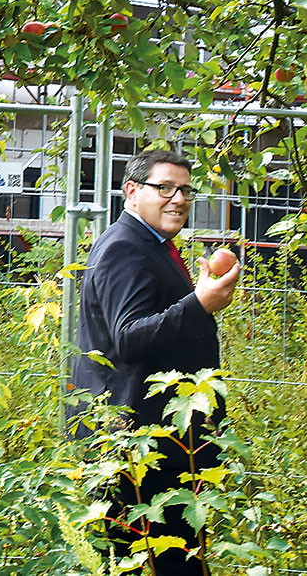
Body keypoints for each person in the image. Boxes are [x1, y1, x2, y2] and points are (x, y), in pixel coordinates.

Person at [68, 149, 240, 575]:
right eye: (163, 187)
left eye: (184, 190)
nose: (177, 198)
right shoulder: (125, 249)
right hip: (135, 443)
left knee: (163, 560)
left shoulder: (151, 244)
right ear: (131, 191)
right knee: (159, 562)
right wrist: (200, 303)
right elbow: (128, 338)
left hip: (155, 440)